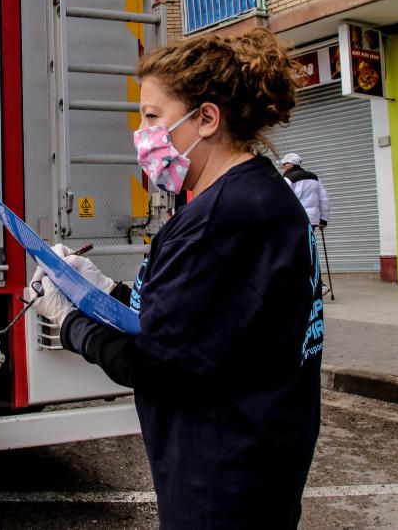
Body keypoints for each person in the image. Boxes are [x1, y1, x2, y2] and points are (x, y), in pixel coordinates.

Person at [25, 29, 324, 529]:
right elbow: (191, 322)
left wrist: (69, 321)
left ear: (206, 118)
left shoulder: (222, 219)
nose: (141, 134)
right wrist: (102, 289)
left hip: (222, 477)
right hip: (255, 463)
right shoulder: (253, 195)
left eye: (151, 117)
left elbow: (155, 362)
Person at [280, 153, 330, 230]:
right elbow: (324, 199)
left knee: (297, 242)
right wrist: (323, 220)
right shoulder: (315, 178)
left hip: (295, 220)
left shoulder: (287, 179)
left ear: (291, 164)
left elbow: (282, 201)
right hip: (312, 220)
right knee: (308, 241)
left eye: (284, 164)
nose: (282, 166)